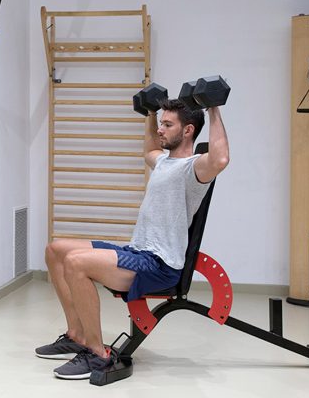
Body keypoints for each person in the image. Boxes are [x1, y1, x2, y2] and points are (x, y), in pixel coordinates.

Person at [38, 99, 229, 379]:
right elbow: (149, 150)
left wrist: (213, 108)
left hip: (159, 265)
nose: (160, 130)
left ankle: (96, 354)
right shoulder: (163, 161)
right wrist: (150, 113)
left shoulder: (194, 169)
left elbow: (220, 159)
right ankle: (76, 334)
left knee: (76, 263)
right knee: (55, 250)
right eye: (161, 123)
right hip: (138, 252)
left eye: (167, 124)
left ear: (188, 130)